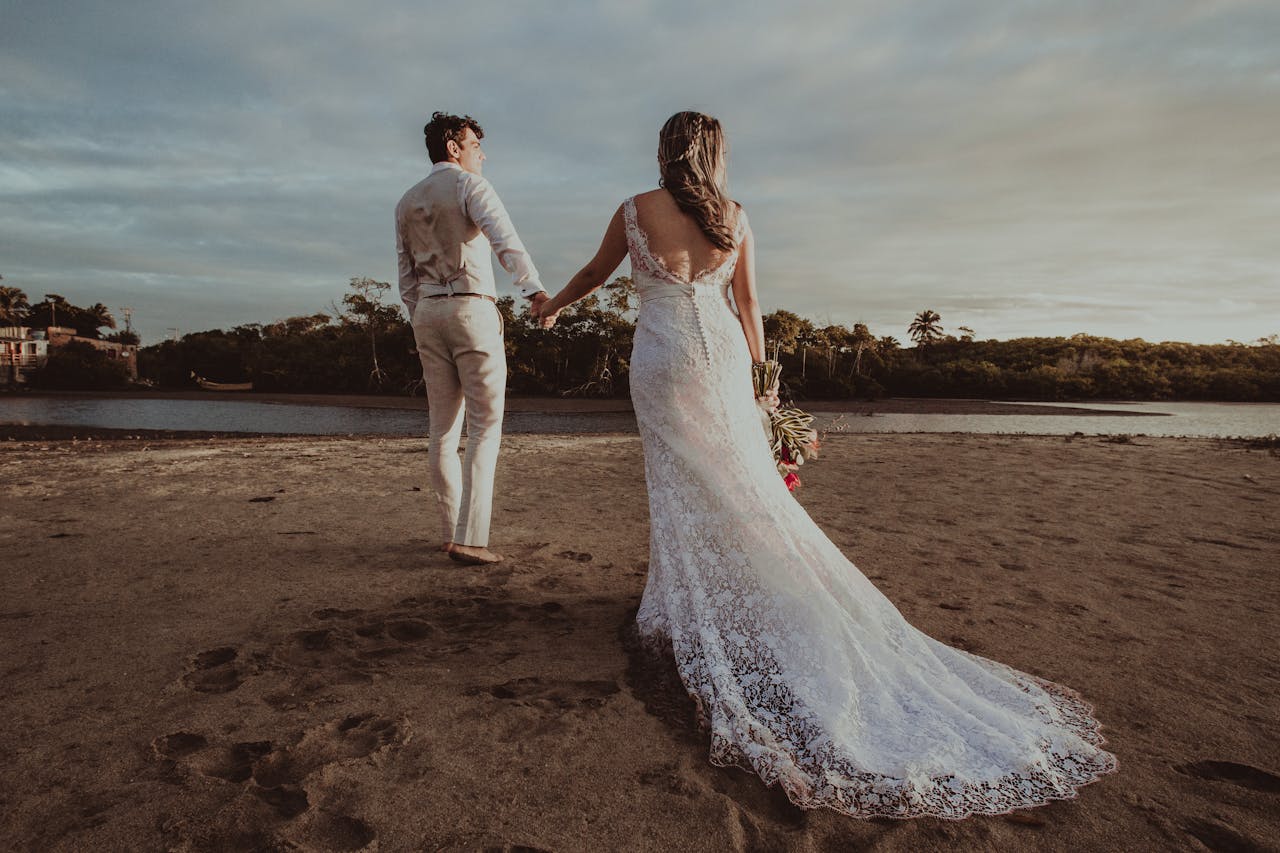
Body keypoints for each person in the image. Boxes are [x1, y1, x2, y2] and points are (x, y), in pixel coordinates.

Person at [534, 111, 1117, 819]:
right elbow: (748, 305)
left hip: (662, 358)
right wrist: (762, 380)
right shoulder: (736, 216)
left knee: (684, 482)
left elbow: (598, 272)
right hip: (718, 357)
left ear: (664, 151)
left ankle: (689, 602)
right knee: (738, 483)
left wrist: (555, 305)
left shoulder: (635, 210)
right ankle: (713, 591)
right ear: (716, 155)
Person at [396, 112, 549, 565]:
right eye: (475, 145)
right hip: (471, 306)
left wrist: (422, 314)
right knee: (485, 426)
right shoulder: (469, 186)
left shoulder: (406, 201)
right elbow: (506, 239)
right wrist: (535, 291)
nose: (482, 153)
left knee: (442, 430)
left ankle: (449, 532)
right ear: (453, 147)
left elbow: (405, 275)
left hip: (427, 311)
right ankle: (471, 538)